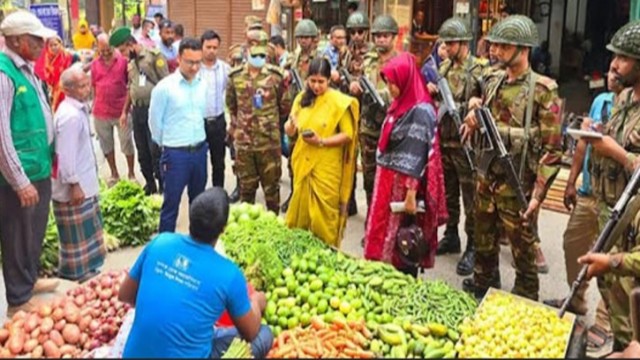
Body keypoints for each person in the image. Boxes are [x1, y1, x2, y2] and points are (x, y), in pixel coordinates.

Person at [460, 15, 563, 301]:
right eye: (496, 46)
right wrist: (473, 107)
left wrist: (537, 196)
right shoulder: (494, 78)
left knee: (523, 252)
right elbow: (476, 89)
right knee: (483, 239)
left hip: (517, 183)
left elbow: (553, 150)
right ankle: (484, 282)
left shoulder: (542, 91)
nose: (496, 51)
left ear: (523, 49)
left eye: (505, 47)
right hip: (486, 178)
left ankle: (523, 298)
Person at [118, 188, 273, 358]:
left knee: (209, 334)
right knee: (264, 334)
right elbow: (250, 332)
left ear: (190, 218)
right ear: (223, 229)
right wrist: (257, 301)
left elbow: (125, 295)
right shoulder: (228, 273)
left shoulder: (160, 242)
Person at [543, 68, 622, 356]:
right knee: (572, 244)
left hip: (619, 201)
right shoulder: (601, 101)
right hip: (590, 193)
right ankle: (577, 299)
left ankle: (605, 321)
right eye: (611, 67)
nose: (613, 71)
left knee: (613, 263)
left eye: (620, 65)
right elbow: (581, 144)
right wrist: (571, 182)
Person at [578, 20, 640, 352]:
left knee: (630, 301)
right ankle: (621, 345)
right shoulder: (623, 98)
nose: (615, 65)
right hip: (608, 208)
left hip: (634, 222)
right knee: (608, 286)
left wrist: (612, 149)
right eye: (615, 56)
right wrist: (595, 131)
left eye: (624, 58)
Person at [364, 52, 446, 276]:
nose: (390, 88)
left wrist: (410, 193)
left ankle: (400, 279)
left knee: (401, 236)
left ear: (406, 79)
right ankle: (382, 271)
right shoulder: (401, 103)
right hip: (389, 179)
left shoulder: (421, 111)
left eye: (393, 83)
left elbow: (418, 155)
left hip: (404, 186)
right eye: (388, 82)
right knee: (383, 233)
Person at [0, 10, 60, 316]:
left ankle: (29, 279)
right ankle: (18, 299)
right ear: (16, 40)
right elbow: (1, 137)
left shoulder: (27, 69)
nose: (42, 44)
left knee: (34, 230)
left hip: (37, 166)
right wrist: (19, 181)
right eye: (36, 39)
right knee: (17, 235)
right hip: (18, 174)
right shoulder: (3, 74)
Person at [429, 18, 487, 277]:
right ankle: (451, 234)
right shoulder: (443, 68)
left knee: (470, 198)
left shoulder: (480, 70)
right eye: (444, 43)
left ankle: (473, 245)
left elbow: (491, 104)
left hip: (467, 145)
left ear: (463, 43)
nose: (446, 48)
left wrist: (477, 102)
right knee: (449, 192)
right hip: (445, 140)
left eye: (450, 43)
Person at [284, 57, 359, 247]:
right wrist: (291, 126)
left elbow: (348, 135)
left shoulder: (338, 102)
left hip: (327, 166)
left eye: (321, 82)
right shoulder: (301, 98)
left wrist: (321, 141)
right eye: (312, 81)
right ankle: (298, 250)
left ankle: (327, 251)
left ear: (329, 80)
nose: (316, 86)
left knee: (324, 215)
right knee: (300, 210)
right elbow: (289, 130)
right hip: (303, 162)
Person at [52, 65, 106, 281]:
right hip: (75, 185)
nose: (87, 89)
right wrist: (74, 184)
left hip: (85, 181)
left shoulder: (78, 109)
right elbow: (65, 155)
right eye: (82, 86)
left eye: (87, 84)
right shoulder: (70, 116)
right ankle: (76, 272)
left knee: (87, 229)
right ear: (68, 89)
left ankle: (87, 268)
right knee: (76, 235)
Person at [149, 38, 208, 233]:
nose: (194, 67)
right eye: (190, 62)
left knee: (199, 204)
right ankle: (165, 248)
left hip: (199, 151)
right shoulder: (165, 88)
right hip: (175, 155)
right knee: (171, 204)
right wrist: (167, 144)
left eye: (198, 62)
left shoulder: (202, 84)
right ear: (179, 58)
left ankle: (195, 245)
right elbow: (154, 123)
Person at [348, 14, 399, 238]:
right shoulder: (367, 60)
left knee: (391, 181)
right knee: (370, 180)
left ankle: (390, 227)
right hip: (368, 128)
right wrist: (356, 86)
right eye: (377, 36)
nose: (380, 40)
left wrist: (380, 95)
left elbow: (405, 93)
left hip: (393, 129)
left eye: (385, 36)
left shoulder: (402, 61)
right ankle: (372, 225)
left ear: (394, 38)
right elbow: (358, 80)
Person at [227, 42, 289, 213]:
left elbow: (284, 107)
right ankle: (248, 231)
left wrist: (270, 124)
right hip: (245, 144)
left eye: (262, 55)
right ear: (247, 53)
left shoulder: (276, 77)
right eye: (255, 55)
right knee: (246, 191)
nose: (259, 59)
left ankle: (272, 228)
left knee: (271, 191)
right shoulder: (235, 77)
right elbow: (231, 106)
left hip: (269, 143)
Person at [111, 27, 169, 196]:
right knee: (142, 149)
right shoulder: (131, 63)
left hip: (154, 109)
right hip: (137, 111)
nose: (121, 55)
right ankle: (149, 183)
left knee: (155, 150)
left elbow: (166, 84)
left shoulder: (154, 56)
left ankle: (162, 184)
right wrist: (124, 111)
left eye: (122, 50)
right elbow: (131, 87)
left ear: (130, 44)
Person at [281, 19, 321, 213]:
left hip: (312, 111)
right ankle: (295, 192)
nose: (303, 41)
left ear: (314, 39)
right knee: (293, 157)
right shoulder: (293, 57)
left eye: (307, 37)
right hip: (295, 110)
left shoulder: (320, 58)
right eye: (300, 37)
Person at [91, 33, 135, 186]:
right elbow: (93, 86)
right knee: (106, 144)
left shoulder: (124, 62)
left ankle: (131, 173)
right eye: (101, 50)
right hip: (101, 112)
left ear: (113, 47)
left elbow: (130, 87)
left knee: (126, 142)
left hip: (121, 111)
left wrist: (125, 111)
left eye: (108, 49)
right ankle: (114, 173)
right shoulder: (95, 64)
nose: (105, 53)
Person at [343, 11, 375, 217]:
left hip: (369, 114)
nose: (356, 36)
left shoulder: (373, 54)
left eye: (360, 31)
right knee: (348, 159)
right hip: (350, 111)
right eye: (353, 32)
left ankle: (372, 210)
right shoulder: (346, 53)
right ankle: (351, 200)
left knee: (370, 165)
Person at [200, 30, 231, 188]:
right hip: (199, 123)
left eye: (214, 47)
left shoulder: (225, 69)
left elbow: (231, 92)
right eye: (208, 47)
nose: (211, 50)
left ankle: (218, 193)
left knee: (219, 162)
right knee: (199, 163)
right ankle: (199, 196)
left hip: (218, 122)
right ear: (202, 47)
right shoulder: (195, 69)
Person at [35, 35, 75, 112]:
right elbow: (46, 76)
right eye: (51, 45)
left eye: (56, 45)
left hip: (68, 90)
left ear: (61, 44)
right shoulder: (45, 59)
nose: (54, 47)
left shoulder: (69, 57)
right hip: (52, 91)